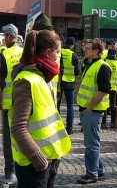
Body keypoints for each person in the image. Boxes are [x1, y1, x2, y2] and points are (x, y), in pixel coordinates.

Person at [9, 29, 71, 187]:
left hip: (46, 160)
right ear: (49, 52)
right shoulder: (28, 81)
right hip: (33, 165)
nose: (58, 57)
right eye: (58, 52)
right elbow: (18, 128)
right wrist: (40, 160)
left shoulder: (41, 77)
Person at [76, 38, 112, 184]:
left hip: (93, 111)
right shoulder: (90, 63)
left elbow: (103, 90)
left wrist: (90, 107)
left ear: (97, 51)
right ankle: (98, 169)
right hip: (86, 109)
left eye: (88, 48)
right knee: (90, 142)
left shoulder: (103, 67)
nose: (85, 50)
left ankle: (92, 174)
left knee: (92, 144)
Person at [0, 23, 24, 183]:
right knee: (22, 138)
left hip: (8, 105)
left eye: (4, 36)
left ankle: (10, 174)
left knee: (8, 141)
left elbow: (1, 82)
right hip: (22, 104)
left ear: (9, 37)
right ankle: (21, 171)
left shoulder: (3, 55)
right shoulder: (24, 53)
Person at [57, 36, 80, 134]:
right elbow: (77, 71)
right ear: (72, 45)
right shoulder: (73, 56)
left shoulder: (58, 52)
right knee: (70, 106)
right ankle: (69, 128)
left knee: (56, 104)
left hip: (58, 82)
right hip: (69, 83)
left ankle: (56, 126)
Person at [102, 48, 117, 129]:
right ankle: (113, 122)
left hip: (106, 86)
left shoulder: (105, 62)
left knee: (105, 105)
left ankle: (104, 123)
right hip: (115, 87)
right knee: (113, 104)